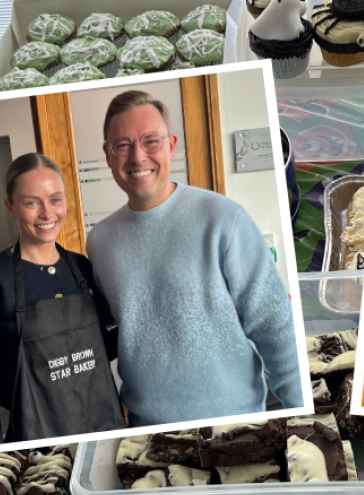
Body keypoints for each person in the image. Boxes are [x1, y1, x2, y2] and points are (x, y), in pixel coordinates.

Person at [86, 90, 304, 426]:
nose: (138, 156)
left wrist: (303, 419)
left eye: (151, 141)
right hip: (146, 430)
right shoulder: (100, 241)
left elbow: (275, 325)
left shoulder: (223, 219)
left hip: (237, 424)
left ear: (171, 145)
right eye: (123, 145)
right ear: (108, 154)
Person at [0, 153, 126, 446]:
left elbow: (105, 346)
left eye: (55, 199)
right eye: (31, 202)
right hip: (38, 444)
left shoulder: (83, 267)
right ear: (10, 207)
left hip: (104, 431)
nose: (47, 213)